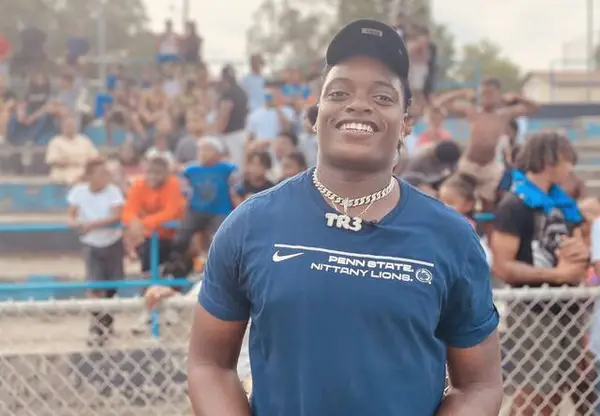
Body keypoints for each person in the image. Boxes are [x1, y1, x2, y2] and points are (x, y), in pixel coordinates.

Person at [188, 19, 502, 416]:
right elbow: (210, 364)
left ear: (406, 123)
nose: (359, 104)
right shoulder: (251, 224)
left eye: (383, 97)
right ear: (315, 115)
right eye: (339, 93)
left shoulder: (451, 236)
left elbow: (479, 384)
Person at [490, 131, 592, 415]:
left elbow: (575, 248)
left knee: (559, 390)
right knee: (535, 394)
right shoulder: (515, 204)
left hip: (568, 309)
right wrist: (559, 274)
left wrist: (580, 252)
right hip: (533, 312)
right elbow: (503, 266)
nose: (571, 167)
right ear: (550, 159)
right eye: (567, 160)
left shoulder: (562, 204)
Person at [435, 78, 540, 209]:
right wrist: (461, 93)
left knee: (487, 203)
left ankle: (485, 221)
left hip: (490, 167)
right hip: (469, 164)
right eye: (483, 94)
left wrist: (517, 97)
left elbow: (534, 107)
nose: (486, 97)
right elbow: (440, 103)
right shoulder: (473, 111)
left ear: (498, 95)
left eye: (490, 94)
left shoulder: (504, 114)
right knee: (458, 196)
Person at [67, 157, 124, 346]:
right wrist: (76, 224)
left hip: (112, 242)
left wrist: (92, 224)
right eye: (101, 173)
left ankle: (107, 322)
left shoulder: (113, 191)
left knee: (112, 286)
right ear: (90, 175)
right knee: (95, 285)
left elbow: (116, 215)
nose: (106, 176)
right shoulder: (79, 192)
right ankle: (96, 327)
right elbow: (71, 216)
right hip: (91, 244)